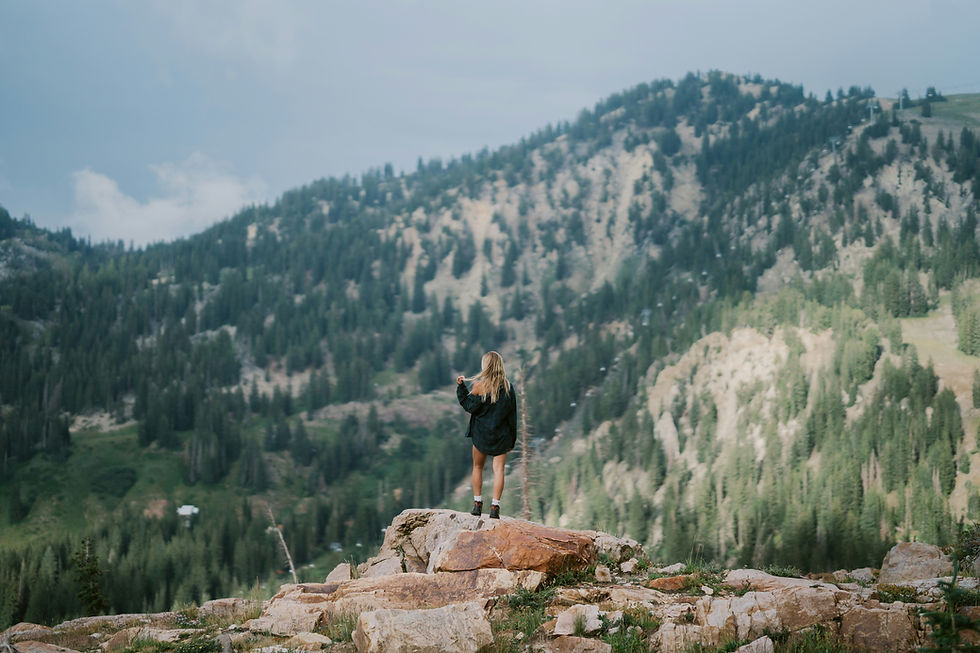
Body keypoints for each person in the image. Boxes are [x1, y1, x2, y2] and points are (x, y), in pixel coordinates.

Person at [456, 351, 517, 519]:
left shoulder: (479, 386)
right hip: (501, 436)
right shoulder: (508, 388)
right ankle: (495, 507)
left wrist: (461, 387)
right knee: (499, 471)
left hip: (481, 434)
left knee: (477, 467)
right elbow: (512, 417)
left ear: (486, 366)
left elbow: (469, 406)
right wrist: (512, 439)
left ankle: (477, 504)